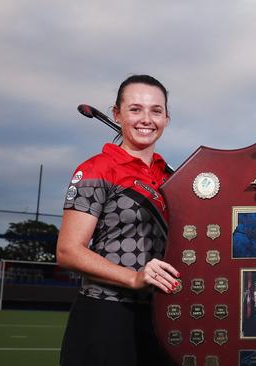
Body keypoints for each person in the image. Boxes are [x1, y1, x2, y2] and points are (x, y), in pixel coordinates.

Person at [57, 74, 179, 366]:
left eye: (156, 110)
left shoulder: (171, 178)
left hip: (161, 318)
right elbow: (68, 251)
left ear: (166, 118)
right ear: (117, 114)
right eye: (135, 109)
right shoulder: (96, 169)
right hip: (105, 315)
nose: (146, 119)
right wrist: (134, 278)